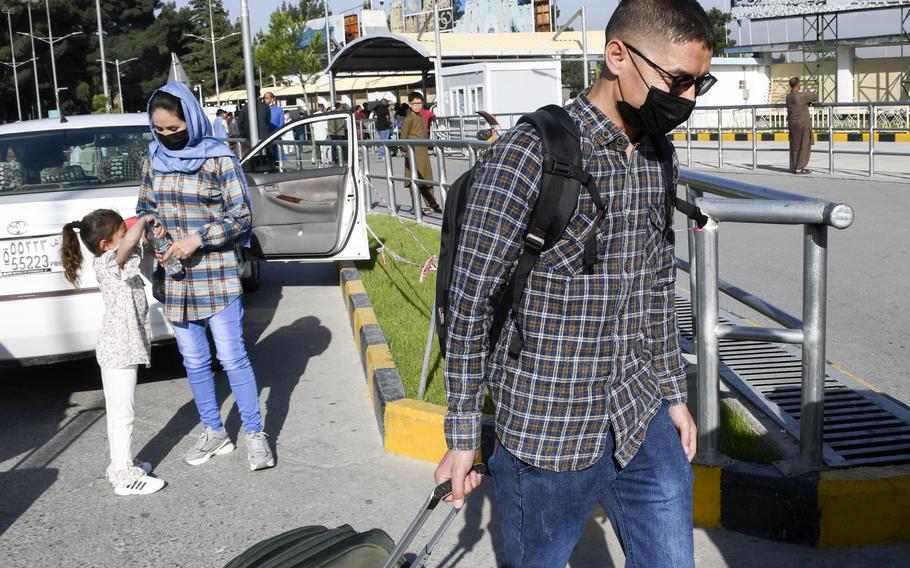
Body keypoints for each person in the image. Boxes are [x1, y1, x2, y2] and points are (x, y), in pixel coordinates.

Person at [434, 1, 716, 566]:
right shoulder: (527, 154)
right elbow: (469, 300)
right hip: (548, 425)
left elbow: (655, 285)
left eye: (698, 84)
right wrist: (464, 433)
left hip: (640, 413)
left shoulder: (657, 153)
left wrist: (672, 392)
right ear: (617, 56)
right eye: (677, 81)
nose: (685, 100)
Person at [136, 82, 275, 472]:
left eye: (173, 129)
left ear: (191, 120)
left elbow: (242, 216)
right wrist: (156, 236)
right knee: (194, 361)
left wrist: (199, 238)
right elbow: (146, 207)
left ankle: (254, 434)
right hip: (176, 277)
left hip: (216, 274)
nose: (167, 137)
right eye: (158, 130)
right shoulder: (152, 157)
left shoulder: (219, 157)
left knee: (232, 357)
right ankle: (214, 432)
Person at [60, 210, 166, 496]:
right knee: (122, 414)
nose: (127, 238)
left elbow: (131, 241)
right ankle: (123, 475)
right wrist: (142, 220)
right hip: (118, 350)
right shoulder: (108, 262)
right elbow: (131, 241)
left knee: (120, 412)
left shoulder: (114, 258)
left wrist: (136, 224)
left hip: (119, 348)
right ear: (106, 245)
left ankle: (123, 463)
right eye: (120, 235)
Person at [401, 91, 440, 215]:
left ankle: (432, 204)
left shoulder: (421, 117)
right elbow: (403, 137)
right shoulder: (409, 119)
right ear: (410, 104)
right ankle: (416, 206)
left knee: (426, 178)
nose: (417, 105)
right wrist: (405, 150)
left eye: (419, 103)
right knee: (414, 179)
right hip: (413, 152)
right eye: (415, 103)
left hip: (422, 152)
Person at [786, 76, 818, 175]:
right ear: (798, 85)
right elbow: (815, 96)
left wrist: (805, 103)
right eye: (800, 83)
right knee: (804, 145)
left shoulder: (788, 97)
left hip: (793, 124)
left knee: (795, 146)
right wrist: (808, 102)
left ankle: (796, 166)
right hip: (803, 124)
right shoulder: (801, 96)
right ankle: (799, 168)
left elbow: (798, 104)